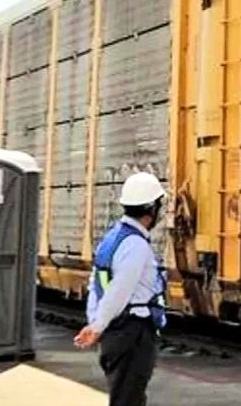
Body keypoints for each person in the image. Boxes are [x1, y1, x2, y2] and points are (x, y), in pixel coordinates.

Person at [74, 172, 168, 406]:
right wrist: (96, 326)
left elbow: (96, 285)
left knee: (126, 397)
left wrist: (96, 321)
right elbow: (119, 291)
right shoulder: (135, 245)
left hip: (116, 333)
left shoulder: (112, 238)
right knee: (128, 399)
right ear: (152, 208)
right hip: (132, 333)